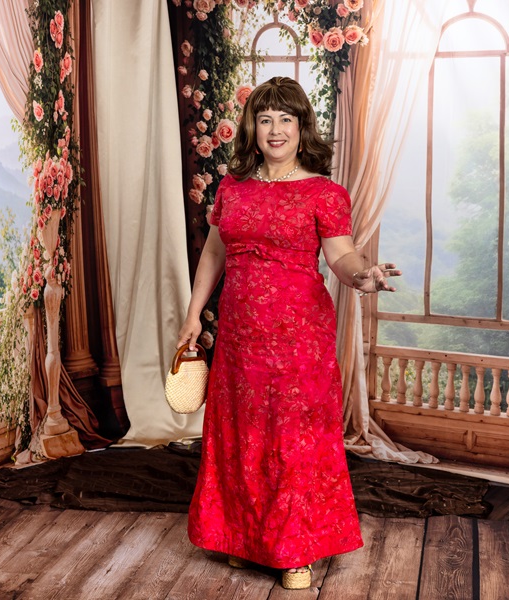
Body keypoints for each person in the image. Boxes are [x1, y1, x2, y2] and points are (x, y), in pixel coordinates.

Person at [177, 76, 399, 590]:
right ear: (253, 128)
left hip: (300, 336)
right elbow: (214, 252)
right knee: (241, 437)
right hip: (238, 336)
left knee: (293, 440)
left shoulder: (324, 192)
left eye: (286, 119)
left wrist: (363, 275)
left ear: (303, 129)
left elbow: (341, 256)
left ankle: (294, 549)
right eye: (265, 118)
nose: (275, 130)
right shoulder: (232, 187)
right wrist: (193, 315)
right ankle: (243, 538)